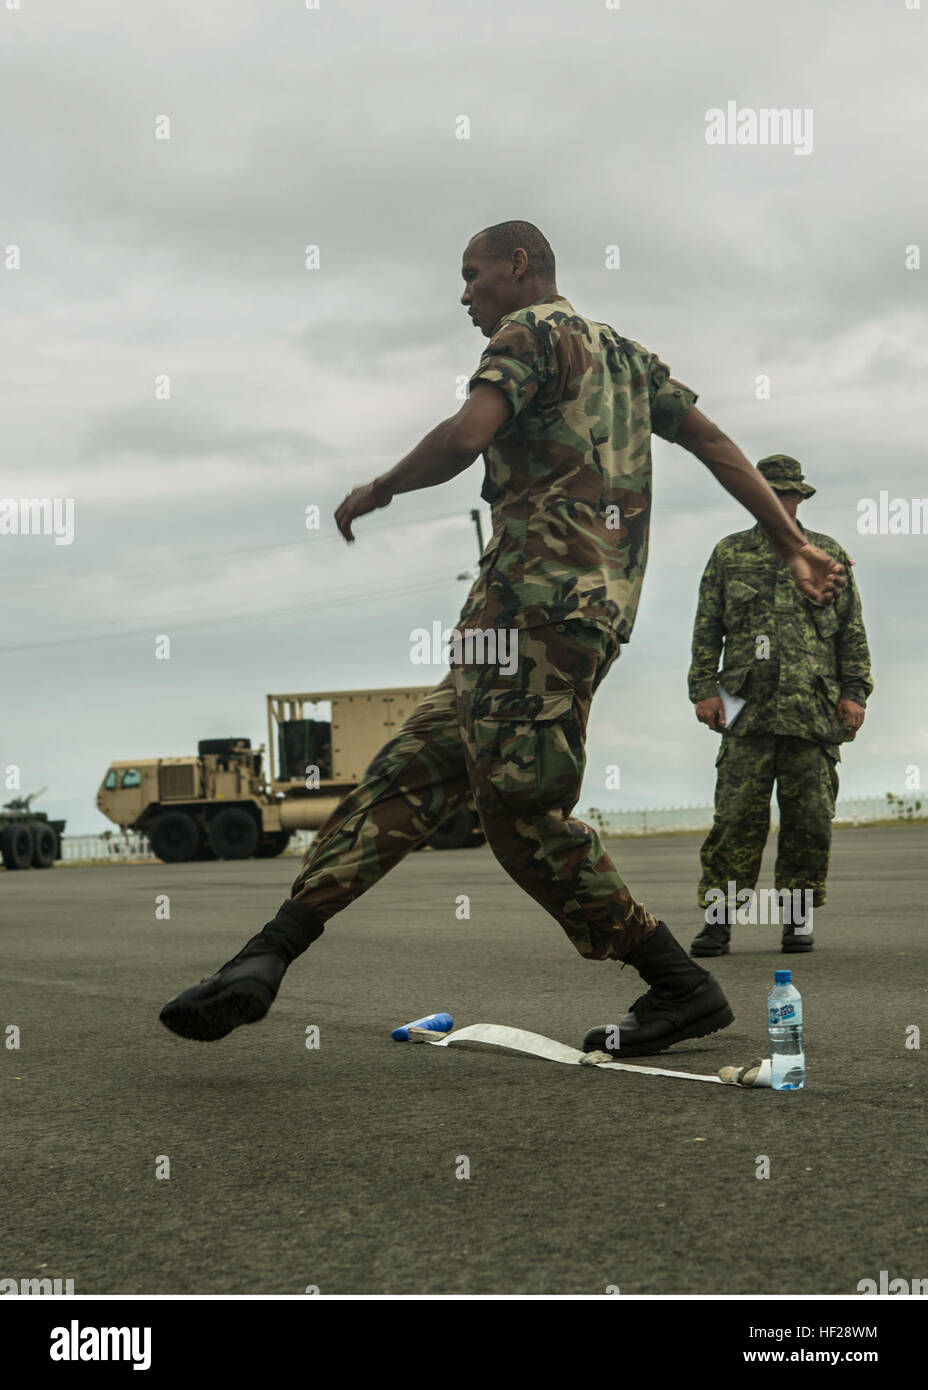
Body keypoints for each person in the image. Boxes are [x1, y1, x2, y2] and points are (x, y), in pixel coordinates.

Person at [159, 222, 844, 1057]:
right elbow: (712, 441)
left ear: (520, 266)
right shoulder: (627, 356)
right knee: (404, 777)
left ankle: (678, 984)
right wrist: (789, 540)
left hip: (536, 618)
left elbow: (466, 434)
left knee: (523, 817)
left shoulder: (531, 333)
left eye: (472, 275)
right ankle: (265, 955)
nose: (465, 296)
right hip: (523, 624)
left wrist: (379, 489)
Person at [687, 455, 872, 956]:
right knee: (735, 821)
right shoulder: (729, 555)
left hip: (812, 709)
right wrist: (704, 688)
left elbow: (851, 631)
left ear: (799, 498)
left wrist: (855, 692)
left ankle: (797, 920)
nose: (782, 502)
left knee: (809, 821)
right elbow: (708, 628)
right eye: (774, 493)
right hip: (744, 709)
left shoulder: (828, 555)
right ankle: (719, 922)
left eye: (790, 494)